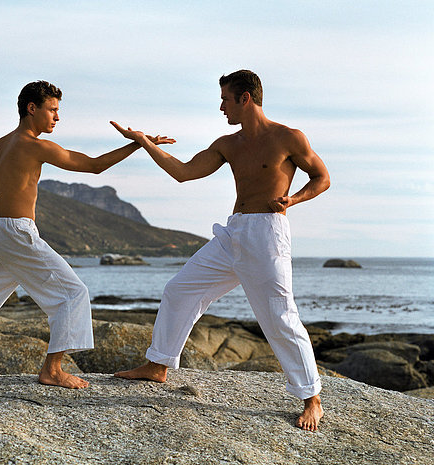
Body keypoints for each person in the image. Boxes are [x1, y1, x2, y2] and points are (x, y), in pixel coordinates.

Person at [0, 80, 174, 389]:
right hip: (17, 234)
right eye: (52, 110)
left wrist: (1, 204)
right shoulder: (36, 146)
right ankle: (53, 370)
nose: (57, 117)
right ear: (31, 108)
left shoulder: (1, 145)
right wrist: (139, 142)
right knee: (73, 293)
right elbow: (94, 166)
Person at [111, 70, 330, 430]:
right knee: (179, 289)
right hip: (234, 233)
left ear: (245, 98)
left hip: (267, 234)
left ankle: (312, 399)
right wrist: (144, 143)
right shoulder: (228, 144)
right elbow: (183, 172)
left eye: (226, 99)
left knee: (279, 316)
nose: (221, 106)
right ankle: (158, 364)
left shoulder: (288, 137)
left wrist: (294, 198)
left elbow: (322, 177)